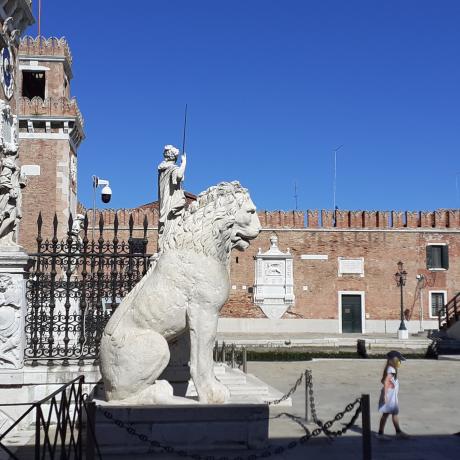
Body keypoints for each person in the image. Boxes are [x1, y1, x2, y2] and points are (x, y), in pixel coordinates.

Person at [377, 350, 410, 440]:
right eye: (399, 360)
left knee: (393, 413)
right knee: (386, 414)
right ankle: (380, 433)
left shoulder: (389, 368)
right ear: (394, 360)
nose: (400, 362)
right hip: (389, 397)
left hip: (391, 396)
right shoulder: (391, 370)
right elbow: (386, 381)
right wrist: (385, 396)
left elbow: (383, 380)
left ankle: (398, 432)